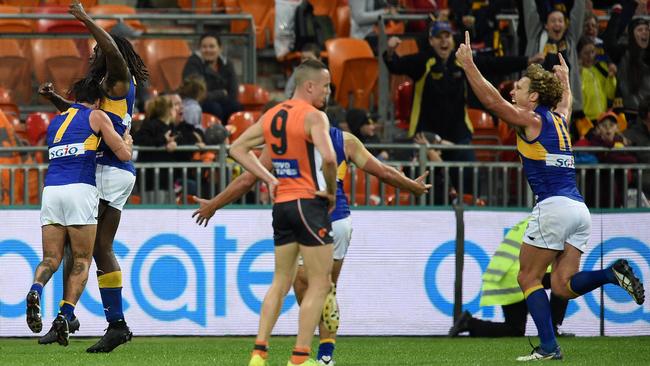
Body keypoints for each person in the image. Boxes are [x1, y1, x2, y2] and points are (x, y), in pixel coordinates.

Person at [456, 31, 645, 361]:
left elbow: (492, 103)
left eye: (520, 87)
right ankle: (609, 274)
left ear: (533, 99)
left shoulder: (530, 120)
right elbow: (566, 102)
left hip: (553, 206)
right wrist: (567, 81)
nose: (513, 89)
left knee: (527, 276)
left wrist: (469, 65)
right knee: (561, 285)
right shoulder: (559, 121)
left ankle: (548, 347)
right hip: (578, 209)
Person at [192, 126, 430, 365]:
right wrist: (412, 186)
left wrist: (214, 204)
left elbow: (248, 179)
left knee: (309, 287)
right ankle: (321, 354)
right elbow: (383, 172)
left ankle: (317, 356)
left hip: (315, 217)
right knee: (321, 289)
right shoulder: (345, 140)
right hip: (335, 221)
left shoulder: (286, 141)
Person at [37, 0, 149, 352]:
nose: (92, 55)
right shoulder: (107, 88)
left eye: (96, 50)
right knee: (93, 246)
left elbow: (113, 50)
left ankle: (89, 320)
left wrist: (87, 19)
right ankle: (88, 319)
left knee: (88, 246)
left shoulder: (118, 79)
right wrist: (57, 100)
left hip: (110, 170)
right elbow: (82, 118)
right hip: (110, 169)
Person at [227, 59, 338, 366]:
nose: (329, 91)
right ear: (310, 85)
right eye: (326, 85)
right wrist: (331, 192)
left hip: (282, 206)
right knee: (320, 282)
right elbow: (329, 159)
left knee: (280, 279)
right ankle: (300, 358)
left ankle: (259, 354)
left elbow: (235, 148)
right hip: (308, 203)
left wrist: (269, 178)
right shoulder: (314, 117)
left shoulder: (272, 114)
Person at [25, 78, 133, 347]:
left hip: (51, 190)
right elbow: (122, 154)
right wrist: (127, 141)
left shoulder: (55, 122)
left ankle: (35, 289)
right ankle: (65, 314)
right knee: (83, 259)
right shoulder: (96, 115)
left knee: (51, 258)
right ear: (97, 100)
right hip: (79, 190)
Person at [449, 217, 572, 338]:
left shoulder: (534, 220)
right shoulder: (548, 224)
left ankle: (469, 323)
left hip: (507, 277)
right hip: (517, 276)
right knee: (563, 281)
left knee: (515, 330)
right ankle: (552, 328)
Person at [182, 33, 242, 123]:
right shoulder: (193, 63)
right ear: (200, 49)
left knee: (236, 106)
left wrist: (215, 94)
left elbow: (233, 92)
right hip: (200, 103)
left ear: (220, 49)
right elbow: (198, 94)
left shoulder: (227, 64)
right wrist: (221, 93)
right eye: (204, 47)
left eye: (212, 46)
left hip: (221, 102)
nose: (208, 50)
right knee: (214, 108)